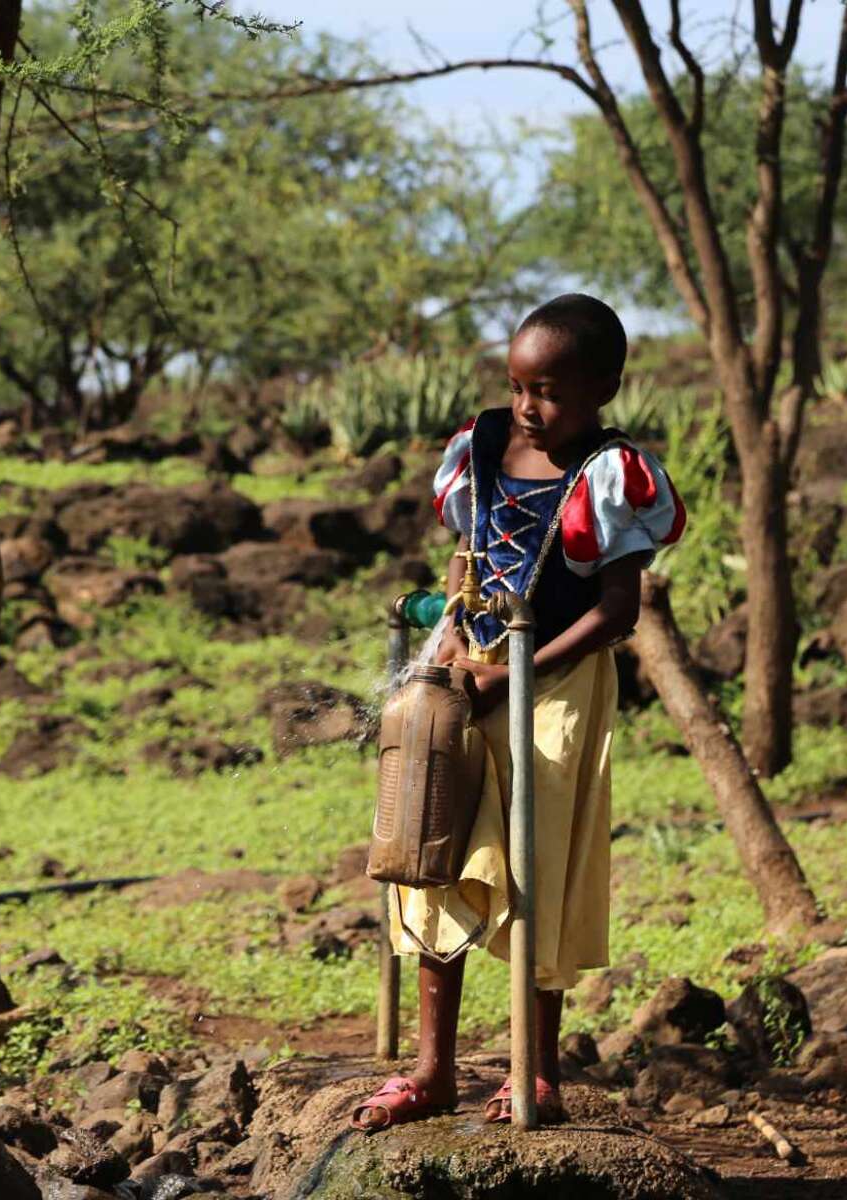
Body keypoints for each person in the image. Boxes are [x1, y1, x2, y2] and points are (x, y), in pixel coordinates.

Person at [350, 293, 686, 1130]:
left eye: (550, 393)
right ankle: (432, 1071)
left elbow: (617, 612)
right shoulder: (487, 445)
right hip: (475, 672)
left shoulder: (611, 475)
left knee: (533, 865)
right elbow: (465, 559)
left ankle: (534, 1073)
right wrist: (452, 649)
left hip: (557, 687)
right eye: (519, 386)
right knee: (432, 842)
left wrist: (520, 674)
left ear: (604, 388)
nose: (530, 408)